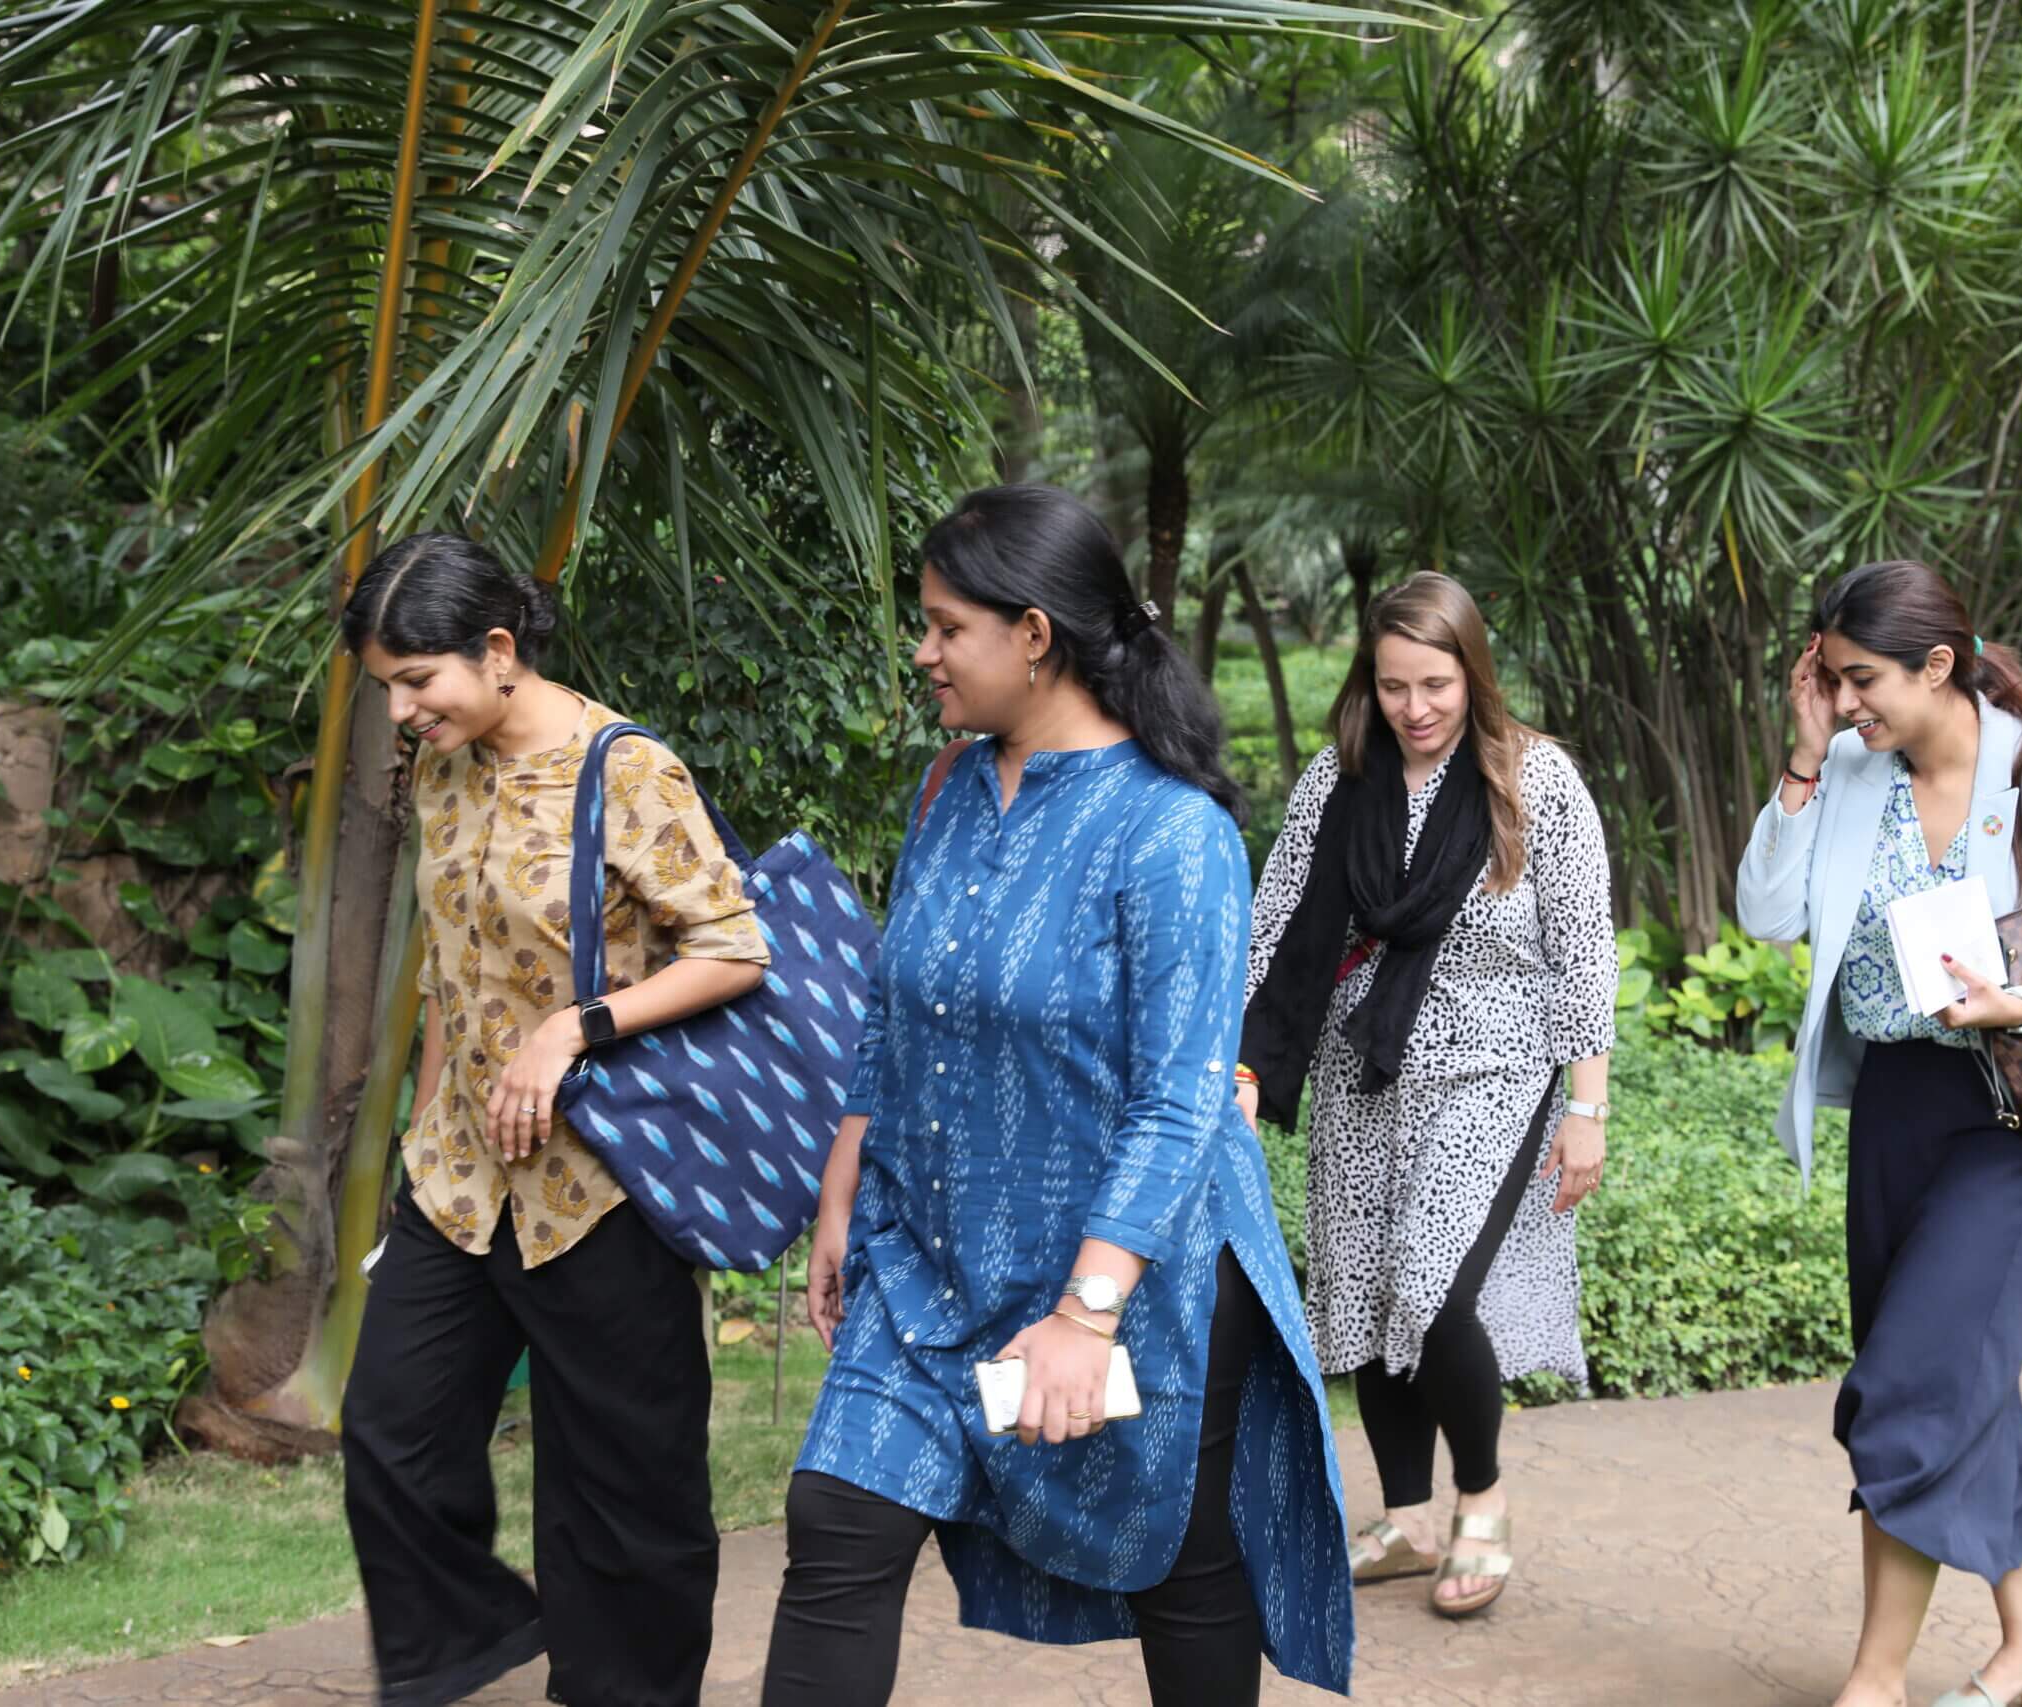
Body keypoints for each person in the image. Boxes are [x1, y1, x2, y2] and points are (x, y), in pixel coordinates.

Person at [760, 484, 1353, 1706]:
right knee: (836, 1520)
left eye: (943, 626)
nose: (921, 652)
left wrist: (1086, 1317)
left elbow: (1181, 1101)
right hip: (931, 1262)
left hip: (1137, 1275)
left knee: (1173, 1565)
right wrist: (842, 1188)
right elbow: (894, 1010)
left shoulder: (1172, 833)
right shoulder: (948, 791)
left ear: (1034, 635)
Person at [335, 532, 770, 1707]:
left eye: (415, 680)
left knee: (624, 1482)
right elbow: (449, 974)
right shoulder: (442, 766)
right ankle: (473, 1643)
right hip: (461, 1179)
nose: (401, 707)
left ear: (497, 648)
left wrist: (571, 1027)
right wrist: (415, 1161)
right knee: (391, 1435)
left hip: (607, 1179)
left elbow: (734, 947)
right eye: (385, 685)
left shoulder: (623, 770)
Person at [1735, 560, 2022, 1707]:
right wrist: (1800, 748)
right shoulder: (1841, 766)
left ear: (1938, 665)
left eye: (1862, 680)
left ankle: (1872, 1682)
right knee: (1958, 1377)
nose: (1847, 703)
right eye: (1830, 681)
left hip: (2013, 1116)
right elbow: (1765, 913)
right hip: (1895, 1107)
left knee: (1905, 1391)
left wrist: (2019, 1002)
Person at [1239, 570, 1619, 1621]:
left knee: (1429, 1282)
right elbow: (1275, 924)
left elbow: (1584, 951)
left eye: (1436, 684)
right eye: (1395, 684)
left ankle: (1480, 1499)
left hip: (1493, 1072)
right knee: (1359, 1289)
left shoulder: (1531, 781)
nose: (1414, 708)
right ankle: (1406, 1518)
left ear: (1473, 674)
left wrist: (1585, 1107)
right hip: (1361, 1063)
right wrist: (1241, 1061)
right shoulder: (1341, 777)